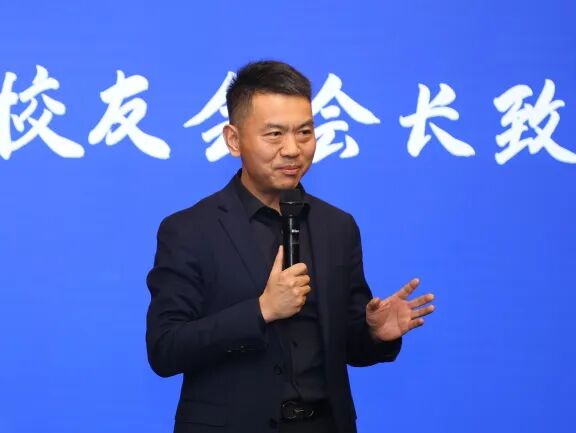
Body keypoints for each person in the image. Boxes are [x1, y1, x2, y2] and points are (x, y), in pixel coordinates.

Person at [145, 60, 435, 433]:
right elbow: (165, 349)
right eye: (274, 134)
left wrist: (373, 333)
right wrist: (261, 310)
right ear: (233, 140)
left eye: (304, 132)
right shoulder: (189, 230)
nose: (293, 149)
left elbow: (348, 346)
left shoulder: (338, 227)